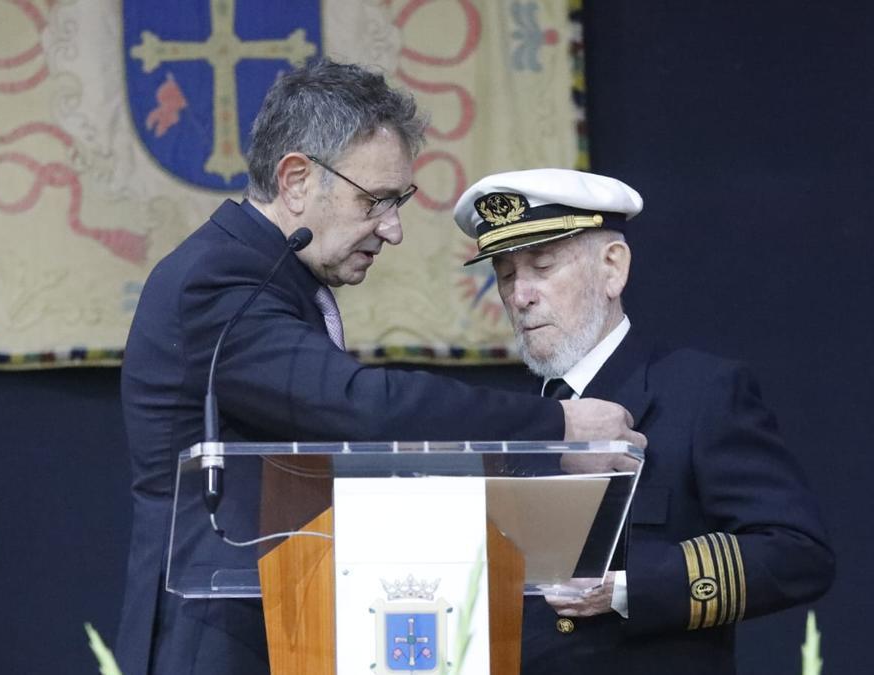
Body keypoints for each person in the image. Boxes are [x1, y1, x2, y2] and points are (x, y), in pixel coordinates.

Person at [116, 60, 644, 675]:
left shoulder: (273, 278)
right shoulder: (218, 281)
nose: (392, 230)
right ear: (295, 181)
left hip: (289, 622)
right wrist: (559, 427)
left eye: (399, 203)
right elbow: (355, 406)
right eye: (376, 202)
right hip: (215, 641)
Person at [453, 168, 836, 674]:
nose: (520, 296)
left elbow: (797, 553)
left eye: (542, 266)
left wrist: (627, 589)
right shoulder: (511, 422)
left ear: (612, 268)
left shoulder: (700, 393)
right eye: (505, 274)